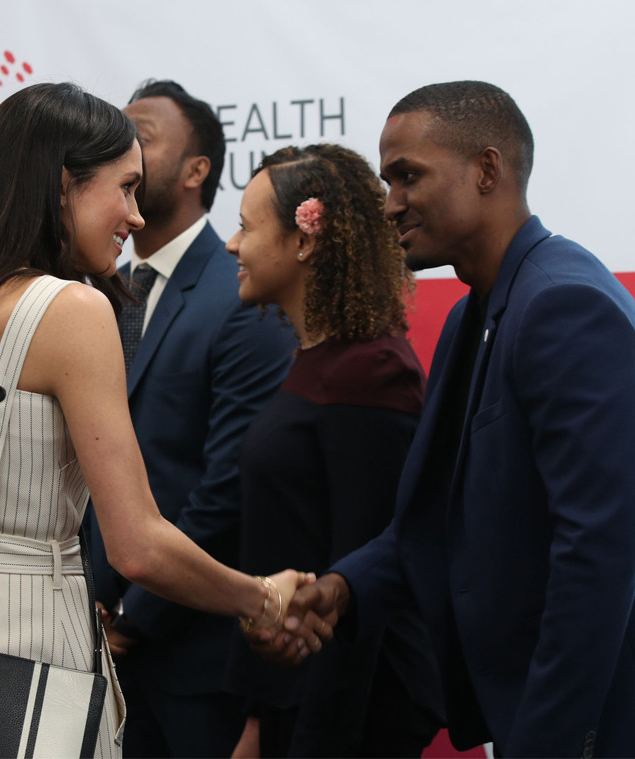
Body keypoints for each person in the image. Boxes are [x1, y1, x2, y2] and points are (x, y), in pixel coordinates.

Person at [0, 81, 310, 758]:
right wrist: (260, 598)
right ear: (63, 185)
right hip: (27, 663)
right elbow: (136, 544)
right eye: (124, 187)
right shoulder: (71, 311)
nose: (135, 216)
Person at [269, 81, 635, 757]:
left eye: (408, 176)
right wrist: (347, 587)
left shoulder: (563, 306)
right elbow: (435, 514)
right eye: (385, 181)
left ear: (488, 170)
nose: (390, 204)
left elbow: (600, 554)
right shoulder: (476, 312)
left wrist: (547, 743)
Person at [86, 79, 294, 759]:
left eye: (141, 135)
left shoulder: (242, 291)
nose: (123, 148)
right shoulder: (99, 292)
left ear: (196, 169)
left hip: (193, 657)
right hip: (94, 646)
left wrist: (132, 620)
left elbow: (227, 480)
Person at [222, 144, 443, 757]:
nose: (231, 246)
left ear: (304, 239)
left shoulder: (370, 371)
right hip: (292, 702)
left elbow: (363, 581)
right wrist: (260, 721)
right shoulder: (317, 359)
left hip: (347, 719)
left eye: (245, 225)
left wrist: (312, 742)